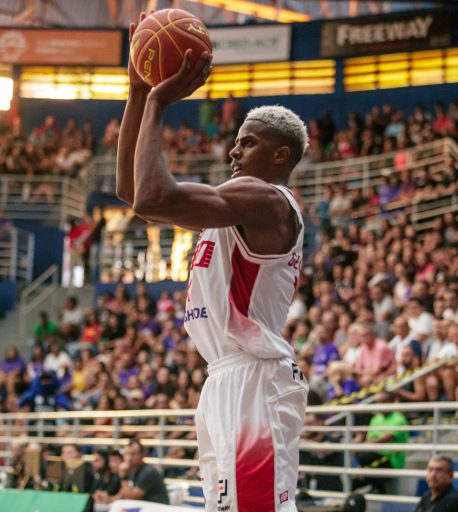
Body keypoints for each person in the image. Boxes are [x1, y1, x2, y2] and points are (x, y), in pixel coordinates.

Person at [117, 20, 308, 511]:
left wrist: (158, 102)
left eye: (248, 142)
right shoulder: (233, 204)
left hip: (254, 378)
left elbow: (153, 195)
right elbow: (133, 193)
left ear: (280, 154)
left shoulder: (266, 200)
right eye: (237, 140)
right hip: (223, 377)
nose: (233, 150)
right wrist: (137, 93)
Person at [113, 439, 169, 504]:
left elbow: (132, 498)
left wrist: (123, 477)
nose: (128, 458)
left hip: (157, 508)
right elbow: (122, 494)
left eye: (133, 454)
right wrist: (108, 499)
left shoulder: (148, 472)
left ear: (142, 455)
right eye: (126, 454)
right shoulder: (132, 470)